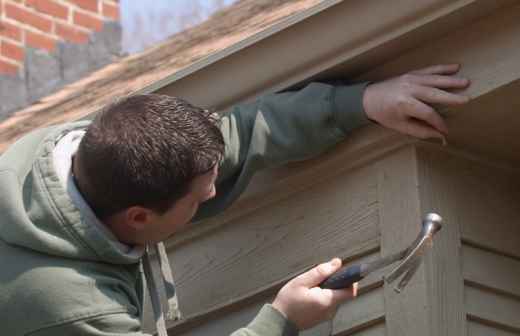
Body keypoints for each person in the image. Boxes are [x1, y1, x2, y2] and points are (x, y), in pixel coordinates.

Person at [0, 64, 469, 336]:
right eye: (197, 197)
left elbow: (233, 137)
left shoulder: (91, 151)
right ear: (138, 216)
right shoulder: (68, 305)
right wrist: (281, 320)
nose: (212, 192)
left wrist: (361, 103)